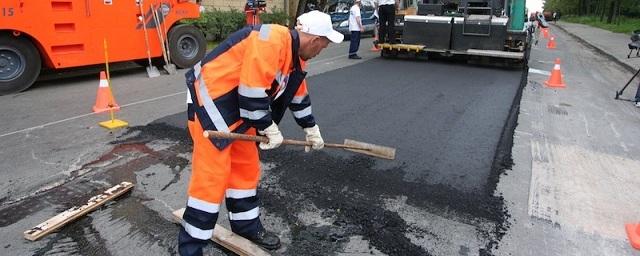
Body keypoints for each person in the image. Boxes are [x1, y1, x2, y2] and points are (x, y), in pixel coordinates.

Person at [179, 10, 343, 256]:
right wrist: (268, 127)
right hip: (211, 106)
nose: (322, 50)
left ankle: (246, 226)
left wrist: (311, 128)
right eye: (324, 45)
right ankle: (191, 248)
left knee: (246, 170)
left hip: (239, 112)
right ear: (314, 39)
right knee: (211, 180)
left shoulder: (296, 56)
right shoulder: (271, 39)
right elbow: (252, 91)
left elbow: (298, 95)